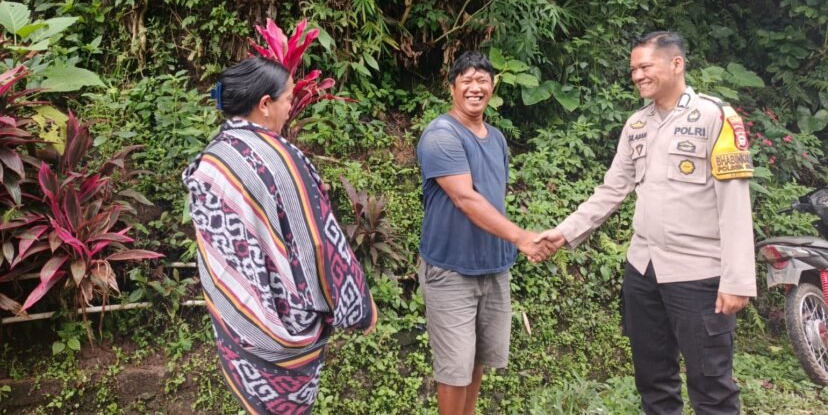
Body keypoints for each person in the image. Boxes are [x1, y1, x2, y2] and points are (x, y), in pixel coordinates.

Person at [536, 31, 756, 415]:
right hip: (643, 270)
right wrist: (564, 232)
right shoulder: (636, 124)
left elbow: (734, 202)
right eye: (633, 69)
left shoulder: (715, 117)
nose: (637, 75)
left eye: (645, 66)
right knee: (653, 381)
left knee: (712, 386)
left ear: (676, 64)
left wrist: (737, 280)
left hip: (698, 274)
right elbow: (611, 190)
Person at [182, 57, 376, 414]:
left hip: (240, 320)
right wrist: (358, 306)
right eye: (288, 98)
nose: (291, 107)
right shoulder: (282, 160)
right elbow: (317, 243)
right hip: (289, 324)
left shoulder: (211, 161)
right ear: (265, 104)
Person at [417, 51, 553, 415]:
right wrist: (521, 237)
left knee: (477, 359)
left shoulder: (496, 138)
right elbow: (465, 198)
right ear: (452, 89)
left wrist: (513, 241)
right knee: (454, 369)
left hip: (493, 267)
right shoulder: (440, 135)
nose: (475, 88)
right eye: (467, 81)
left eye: (483, 81)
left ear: (492, 87)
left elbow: (494, 195)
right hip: (451, 270)